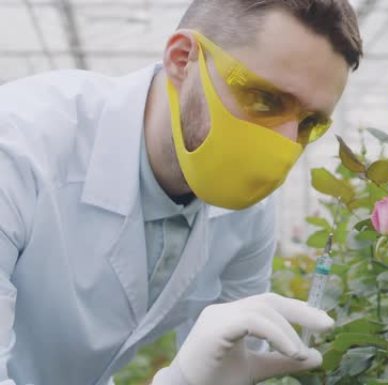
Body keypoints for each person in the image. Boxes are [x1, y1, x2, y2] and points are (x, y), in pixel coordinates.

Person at [0, 0, 362, 384]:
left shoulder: (249, 209)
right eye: (264, 99)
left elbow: (230, 364)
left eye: (309, 124)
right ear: (182, 59)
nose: (285, 144)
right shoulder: (19, 146)